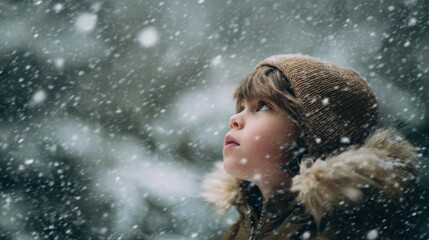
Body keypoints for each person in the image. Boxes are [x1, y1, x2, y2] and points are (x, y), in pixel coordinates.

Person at [202, 54, 419, 239]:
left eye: (263, 106)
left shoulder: (343, 231)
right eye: (241, 107)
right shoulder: (238, 230)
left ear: (313, 133)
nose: (235, 118)